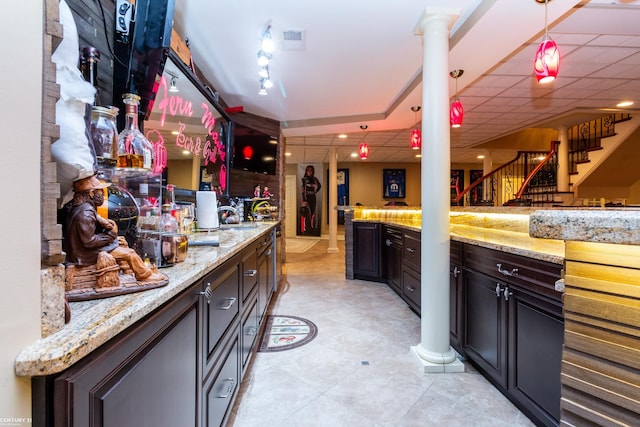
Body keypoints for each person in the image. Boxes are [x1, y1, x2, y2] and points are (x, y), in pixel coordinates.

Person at [63, 175, 165, 282]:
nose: (102, 194)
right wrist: (111, 235)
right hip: (85, 255)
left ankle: (128, 269)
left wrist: (103, 223)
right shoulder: (85, 213)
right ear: (91, 193)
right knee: (130, 253)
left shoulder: (82, 208)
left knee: (121, 241)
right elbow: (89, 242)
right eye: (100, 191)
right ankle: (145, 276)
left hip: (83, 251)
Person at [301, 165, 321, 230]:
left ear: (312, 171)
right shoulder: (304, 179)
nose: (309, 171)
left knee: (312, 212)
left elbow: (319, 186)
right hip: (306, 197)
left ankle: (311, 226)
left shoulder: (315, 179)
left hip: (313, 197)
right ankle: (306, 227)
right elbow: (302, 190)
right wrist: (304, 199)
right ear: (306, 171)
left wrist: (316, 191)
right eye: (308, 170)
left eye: (311, 170)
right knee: (306, 212)